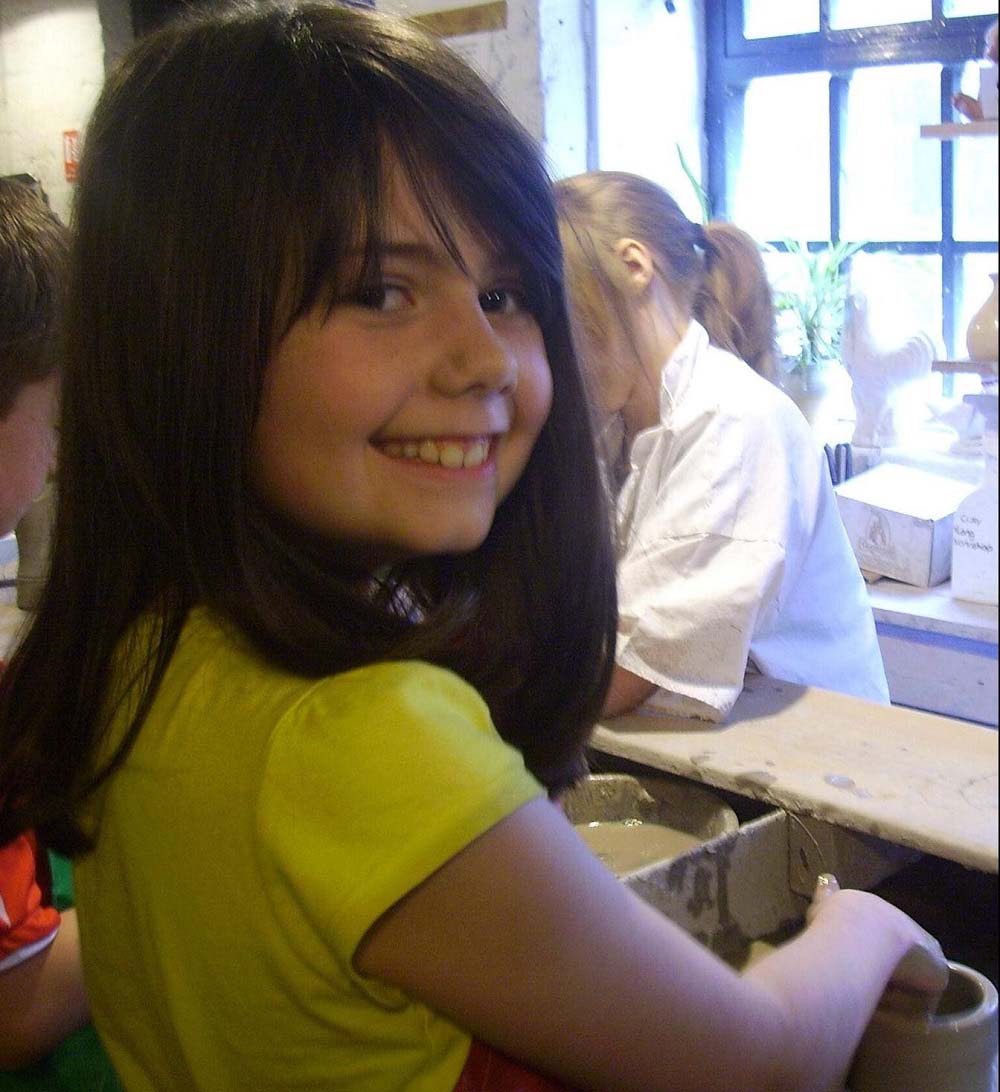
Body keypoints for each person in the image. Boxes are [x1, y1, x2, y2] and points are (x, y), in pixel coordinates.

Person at [0, 6, 945, 1091]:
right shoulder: (360, 735)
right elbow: (756, 1062)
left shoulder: (143, 650)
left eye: (502, 294)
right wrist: (866, 928)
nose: (484, 358)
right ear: (180, 333)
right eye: (380, 291)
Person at [555, 171, 890, 721]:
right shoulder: (616, 428)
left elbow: (630, 670)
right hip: (723, 749)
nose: (550, 347)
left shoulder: (731, 419)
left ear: (635, 268)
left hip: (819, 765)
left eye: (562, 310)